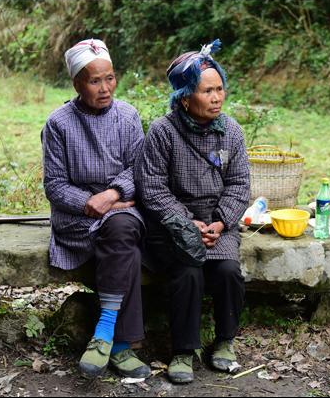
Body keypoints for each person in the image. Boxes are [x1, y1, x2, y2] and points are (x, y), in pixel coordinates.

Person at [134, 39, 250, 384]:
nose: (217, 97)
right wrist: (187, 223)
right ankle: (184, 350)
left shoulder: (231, 132)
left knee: (229, 271)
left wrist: (219, 221)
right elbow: (152, 188)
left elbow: (240, 184)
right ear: (185, 97)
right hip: (171, 226)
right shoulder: (162, 132)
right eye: (206, 91)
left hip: (218, 224)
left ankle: (225, 342)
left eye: (220, 89)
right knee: (187, 273)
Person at [41, 38, 150, 379]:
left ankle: (104, 333)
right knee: (125, 242)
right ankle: (120, 346)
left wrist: (114, 193)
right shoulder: (58, 124)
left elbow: (139, 168)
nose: (105, 89)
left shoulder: (128, 116)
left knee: (121, 229)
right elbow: (55, 185)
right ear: (76, 83)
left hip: (120, 211)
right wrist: (93, 202)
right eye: (94, 81)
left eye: (110, 78)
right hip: (77, 220)